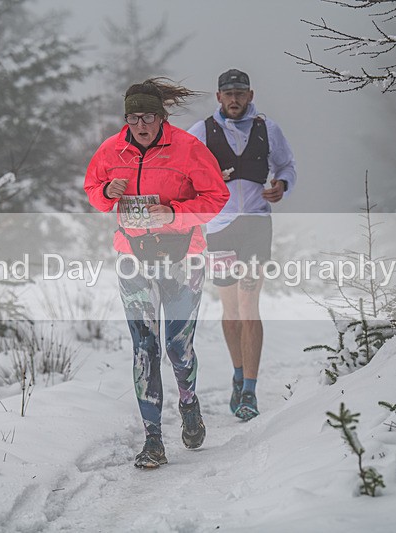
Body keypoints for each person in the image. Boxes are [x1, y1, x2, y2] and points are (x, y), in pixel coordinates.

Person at [84, 78, 229, 468]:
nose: (140, 125)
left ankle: (188, 403)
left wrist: (175, 214)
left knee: (177, 349)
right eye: (132, 117)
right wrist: (107, 193)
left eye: (147, 116)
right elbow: (93, 189)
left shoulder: (187, 148)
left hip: (183, 259)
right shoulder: (112, 150)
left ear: (161, 116)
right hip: (133, 257)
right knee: (144, 348)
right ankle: (153, 440)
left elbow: (217, 197)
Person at [188, 69, 296, 421]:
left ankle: (250, 390)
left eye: (239, 93)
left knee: (249, 306)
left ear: (250, 95)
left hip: (255, 224)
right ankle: (238, 374)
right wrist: (207, 179)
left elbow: (287, 166)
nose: (234, 99)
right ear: (218, 97)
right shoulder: (202, 132)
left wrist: (281, 185)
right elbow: (182, 173)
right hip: (218, 228)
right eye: (227, 93)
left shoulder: (269, 129)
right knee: (231, 311)